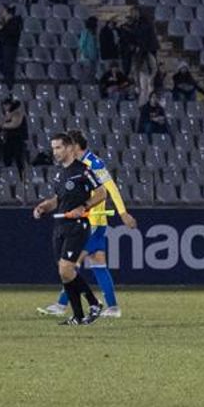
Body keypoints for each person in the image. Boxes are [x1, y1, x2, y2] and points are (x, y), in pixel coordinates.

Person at [38, 133, 137, 318]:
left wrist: (123, 213)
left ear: (74, 146)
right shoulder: (76, 167)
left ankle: (62, 304)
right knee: (98, 263)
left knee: (68, 265)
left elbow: (110, 189)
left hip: (90, 222)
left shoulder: (93, 163)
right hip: (95, 222)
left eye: (66, 146)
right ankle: (113, 308)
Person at [30, 134, 104, 326]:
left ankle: (94, 303)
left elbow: (102, 193)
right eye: (53, 148)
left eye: (59, 148)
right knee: (64, 273)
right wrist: (44, 207)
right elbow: (58, 200)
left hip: (78, 226)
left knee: (66, 268)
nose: (55, 152)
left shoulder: (83, 171)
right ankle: (78, 316)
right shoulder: (59, 174)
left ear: (70, 148)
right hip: (60, 225)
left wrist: (84, 207)